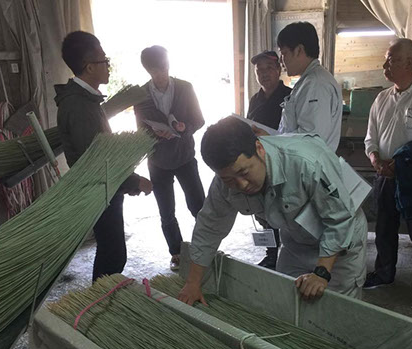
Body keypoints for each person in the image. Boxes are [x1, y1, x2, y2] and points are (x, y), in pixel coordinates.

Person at [177, 116, 367, 305]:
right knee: (286, 302)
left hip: (342, 242)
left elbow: (339, 219)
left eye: (244, 173)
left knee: (335, 308)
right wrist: (193, 283)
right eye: (229, 179)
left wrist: (321, 273)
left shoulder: (306, 161)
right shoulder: (224, 182)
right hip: (296, 242)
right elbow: (209, 227)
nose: (241, 184)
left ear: (259, 149)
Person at [55, 31, 152, 283]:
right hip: (99, 189)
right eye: (104, 61)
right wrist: (134, 181)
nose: (108, 66)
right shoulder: (78, 106)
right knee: (112, 255)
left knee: (113, 251)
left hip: (106, 187)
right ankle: (101, 299)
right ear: (89, 67)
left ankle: (103, 296)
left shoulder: (85, 100)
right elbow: (97, 161)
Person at [362, 38, 412, 312]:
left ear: (409, 63)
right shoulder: (382, 98)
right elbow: (371, 137)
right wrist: (375, 158)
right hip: (385, 175)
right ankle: (384, 273)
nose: (384, 66)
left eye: (391, 60)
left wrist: (403, 164)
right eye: (386, 60)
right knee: (384, 228)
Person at [134, 45, 206, 271]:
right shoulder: (141, 95)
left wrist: (184, 128)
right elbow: (140, 130)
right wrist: (154, 134)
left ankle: (206, 248)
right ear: (148, 70)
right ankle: (176, 252)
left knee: (198, 206)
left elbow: (199, 120)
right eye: (156, 71)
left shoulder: (185, 88)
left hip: (185, 157)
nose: (162, 74)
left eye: (164, 68)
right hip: (158, 161)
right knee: (166, 212)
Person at [247, 50, 292, 269]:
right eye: (259, 70)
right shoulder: (255, 99)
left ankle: (290, 254)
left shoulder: (290, 96)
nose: (264, 74)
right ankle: (271, 254)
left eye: (269, 68)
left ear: (279, 69)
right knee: (264, 210)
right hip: (260, 163)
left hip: (283, 161)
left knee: (285, 208)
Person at [276, 22, 343, 153]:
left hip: (311, 164)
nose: (281, 60)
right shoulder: (308, 81)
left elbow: (311, 140)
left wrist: (273, 141)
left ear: (299, 50)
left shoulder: (316, 84)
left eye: (284, 53)